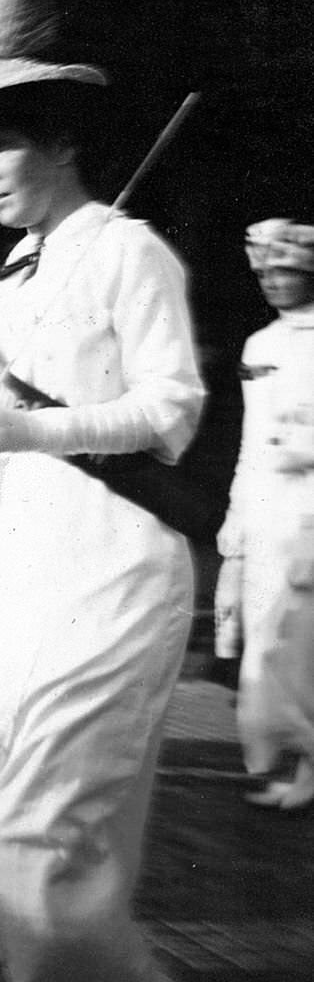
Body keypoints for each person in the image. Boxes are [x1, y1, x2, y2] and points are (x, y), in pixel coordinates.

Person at [0, 0, 205, 982]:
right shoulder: (6, 283)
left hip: (119, 571)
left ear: (63, 142)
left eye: (1, 143)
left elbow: (170, 417)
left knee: (32, 846)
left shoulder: (130, 254)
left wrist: (26, 430)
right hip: (28, 585)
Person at [215, 218, 314, 811]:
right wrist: (236, 519)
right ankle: (292, 761)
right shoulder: (261, 346)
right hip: (266, 514)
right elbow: (252, 442)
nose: (274, 282)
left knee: (303, 644)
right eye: (265, 272)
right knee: (267, 643)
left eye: (288, 270)